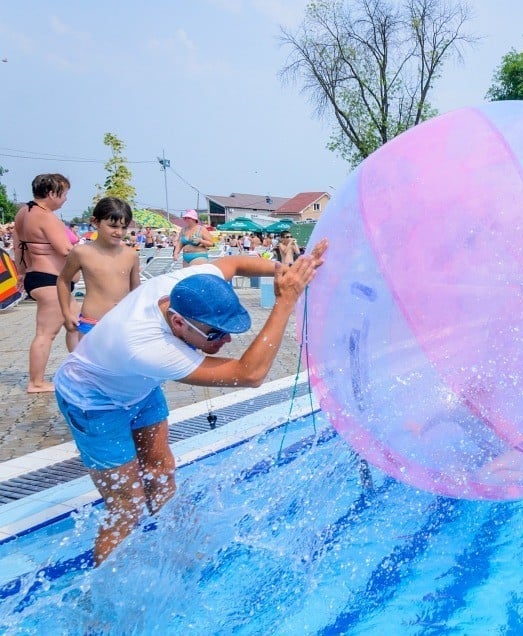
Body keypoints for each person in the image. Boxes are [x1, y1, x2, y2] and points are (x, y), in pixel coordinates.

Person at [53, 239, 328, 565]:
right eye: (215, 334)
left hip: (138, 386)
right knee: (126, 505)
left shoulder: (187, 285)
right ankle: (102, 600)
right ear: (179, 322)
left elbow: (235, 264)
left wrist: (290, 271)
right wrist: (286, 300)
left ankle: (173, 551)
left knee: (161, 472)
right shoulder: (148, 347)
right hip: (92, 399)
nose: (225, 341)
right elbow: (250, 374)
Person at [12, 173, 79, 392]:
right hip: (50, 280)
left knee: (76, 324)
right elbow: (65, 249)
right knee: (46, 333)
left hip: (37, 276)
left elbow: (18, 247)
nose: (66, 199)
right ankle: (37, 382)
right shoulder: (46, 216)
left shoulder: (24, 212)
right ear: (52, 193)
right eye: (64, 194)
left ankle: (81, 371)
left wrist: (22, 273)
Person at [57, 197, 140, 341]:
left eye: (124, 227)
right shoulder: (81, 252)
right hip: (92, 323)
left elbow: (137, 291)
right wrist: (66, 312)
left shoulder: (131, 255)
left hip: (123, 323)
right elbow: (63, 281)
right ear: (95, 222)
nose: (119, 232)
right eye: (113, 226)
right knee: (91, 363)